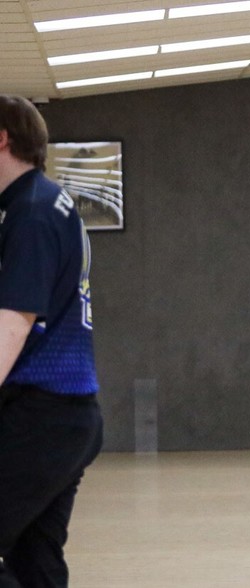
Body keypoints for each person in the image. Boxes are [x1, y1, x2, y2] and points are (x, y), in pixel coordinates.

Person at [0, 95, 103, 588]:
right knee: (34, 562)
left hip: (40, 418)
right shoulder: (45, 202)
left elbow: (12, 326)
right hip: (65, 417)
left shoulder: (32, 214)